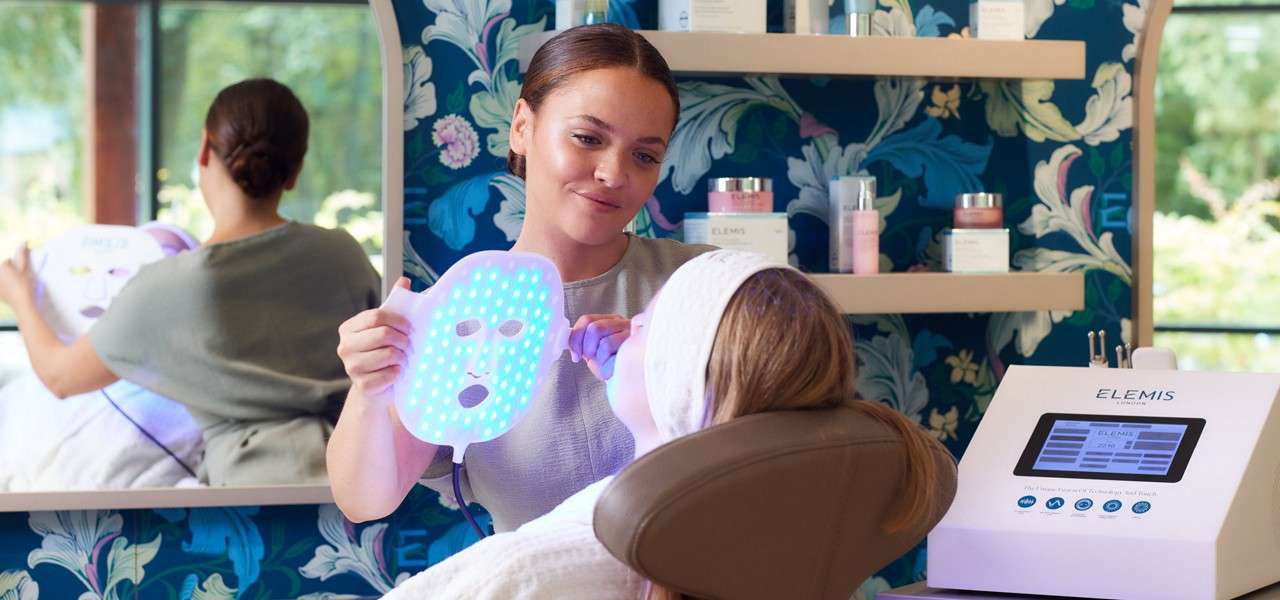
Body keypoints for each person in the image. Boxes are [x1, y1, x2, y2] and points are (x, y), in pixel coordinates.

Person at [377, 250, 948, 600]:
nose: (626, 330)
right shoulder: (790, 539)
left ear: (675, 379)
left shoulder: (522, 574)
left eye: (647, 326)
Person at [327, 23, 714, 532]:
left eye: (644, 155)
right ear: (522, 127)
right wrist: (370, 386)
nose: (614, 173)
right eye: (587, 138)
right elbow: (364, 499)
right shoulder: (460, 318)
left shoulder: (704, 285)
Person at [0, 78, 381, 486]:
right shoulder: (344, 254)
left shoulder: (166, 290)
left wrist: (20, 296)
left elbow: (60, 377)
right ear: (294, 172)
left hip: (248, 506)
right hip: (360, 480)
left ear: (204, 149)